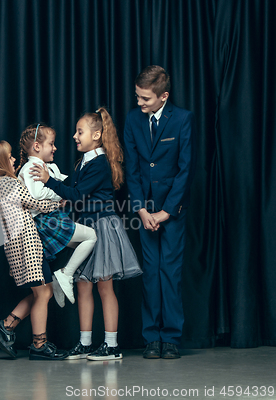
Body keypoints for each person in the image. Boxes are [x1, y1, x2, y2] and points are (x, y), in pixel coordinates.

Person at [31, 107, 142, 361]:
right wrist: (62, 200)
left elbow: (78, 195)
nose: (74, 136)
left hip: (103, 227)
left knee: (104, 287)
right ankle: (85, 343)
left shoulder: (100, 163)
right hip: (89, 226)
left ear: (97, 135)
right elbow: (76, 194)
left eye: (80, 132)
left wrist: (49, 180)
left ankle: (112, 346)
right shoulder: (84, 161)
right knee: (83, 287)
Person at [0, 140, 67, 360]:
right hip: (28, 245)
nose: (14, 159)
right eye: (10, 156)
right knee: (43, 292)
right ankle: (39, 345)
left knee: (43, 291)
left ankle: (6, 326)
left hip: (17, 247)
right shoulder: (8, 183)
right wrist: (59, 200)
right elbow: (35, 203)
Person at [123, 65, 195, 359]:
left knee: (170, 273)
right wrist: (141, 210)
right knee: (150, 274)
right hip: (145, 213)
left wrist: (167, 211)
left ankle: (172, 338)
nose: (139, 103)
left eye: (145, 99)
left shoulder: (182, 119)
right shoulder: (132, 120)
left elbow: (185, 169)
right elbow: (133, 169)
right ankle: (151, 337)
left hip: (172, 213)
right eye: (138, 98)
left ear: (163, 96)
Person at [17, 123, 97, 307]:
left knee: (83, 244)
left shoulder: (47, 167)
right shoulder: (32, 167)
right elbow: (36, 194)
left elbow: (65, 184)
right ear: (37, 147)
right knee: (92, 236)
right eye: (51, 144)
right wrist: (58, 194)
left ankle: (61, 281)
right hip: (46, 221)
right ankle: (65, 275)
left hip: (52, 220)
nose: (55, 148)